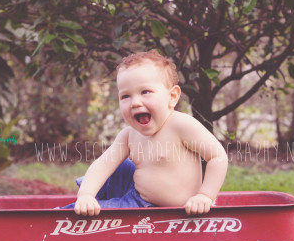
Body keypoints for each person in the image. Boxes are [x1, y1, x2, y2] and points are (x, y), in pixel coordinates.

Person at [64, 50, 228, 216]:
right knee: (111, 166)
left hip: (173, 205)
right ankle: (85, 204)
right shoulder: (129, 134)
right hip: (138, 199)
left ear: (172, 97)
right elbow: (103, 164)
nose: (135, 102)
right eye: (126, 96)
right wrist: (85, 195)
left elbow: (217, 156)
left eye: (145, 92)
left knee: (104, 207)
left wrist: (205, 195)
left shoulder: (181, 125)